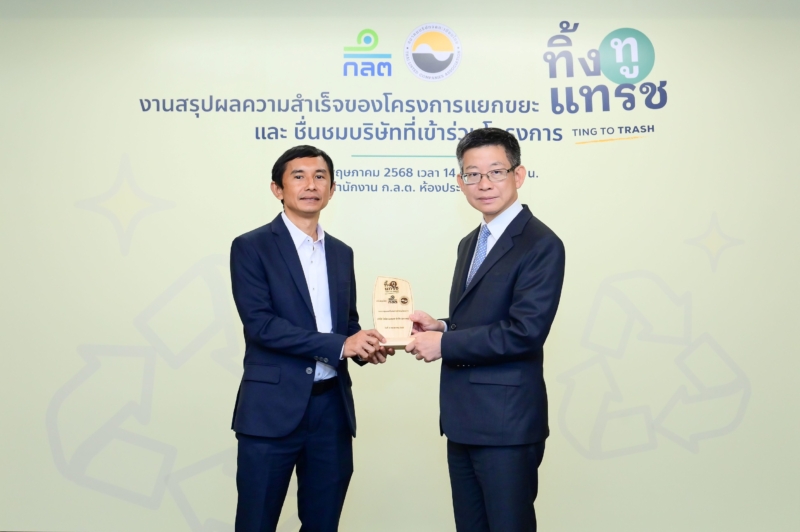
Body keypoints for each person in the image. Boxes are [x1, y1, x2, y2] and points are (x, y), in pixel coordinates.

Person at [406, 128, 565, 532]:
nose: (484, 183)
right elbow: (482, 317)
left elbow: (524, 331)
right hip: (463, 420)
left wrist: (444, 344)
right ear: (460, 182)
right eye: (472, 174)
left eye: (496, 171)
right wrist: (441, 325)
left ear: (518, 175)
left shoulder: (540, 243)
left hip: (506, 423)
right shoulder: (471, 242)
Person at [229, 145, 391, 532]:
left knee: (323, 523)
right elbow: (261, 325)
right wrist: (340, 345)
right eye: (298, 176)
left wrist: (365, 345)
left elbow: (345, 323)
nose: (311, 185)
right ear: (277, 188)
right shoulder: (251, 246)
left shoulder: (341, 253)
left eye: (320, 177)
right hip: (271, 410)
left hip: (331, 410)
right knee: (256, 523)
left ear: (332, 190)